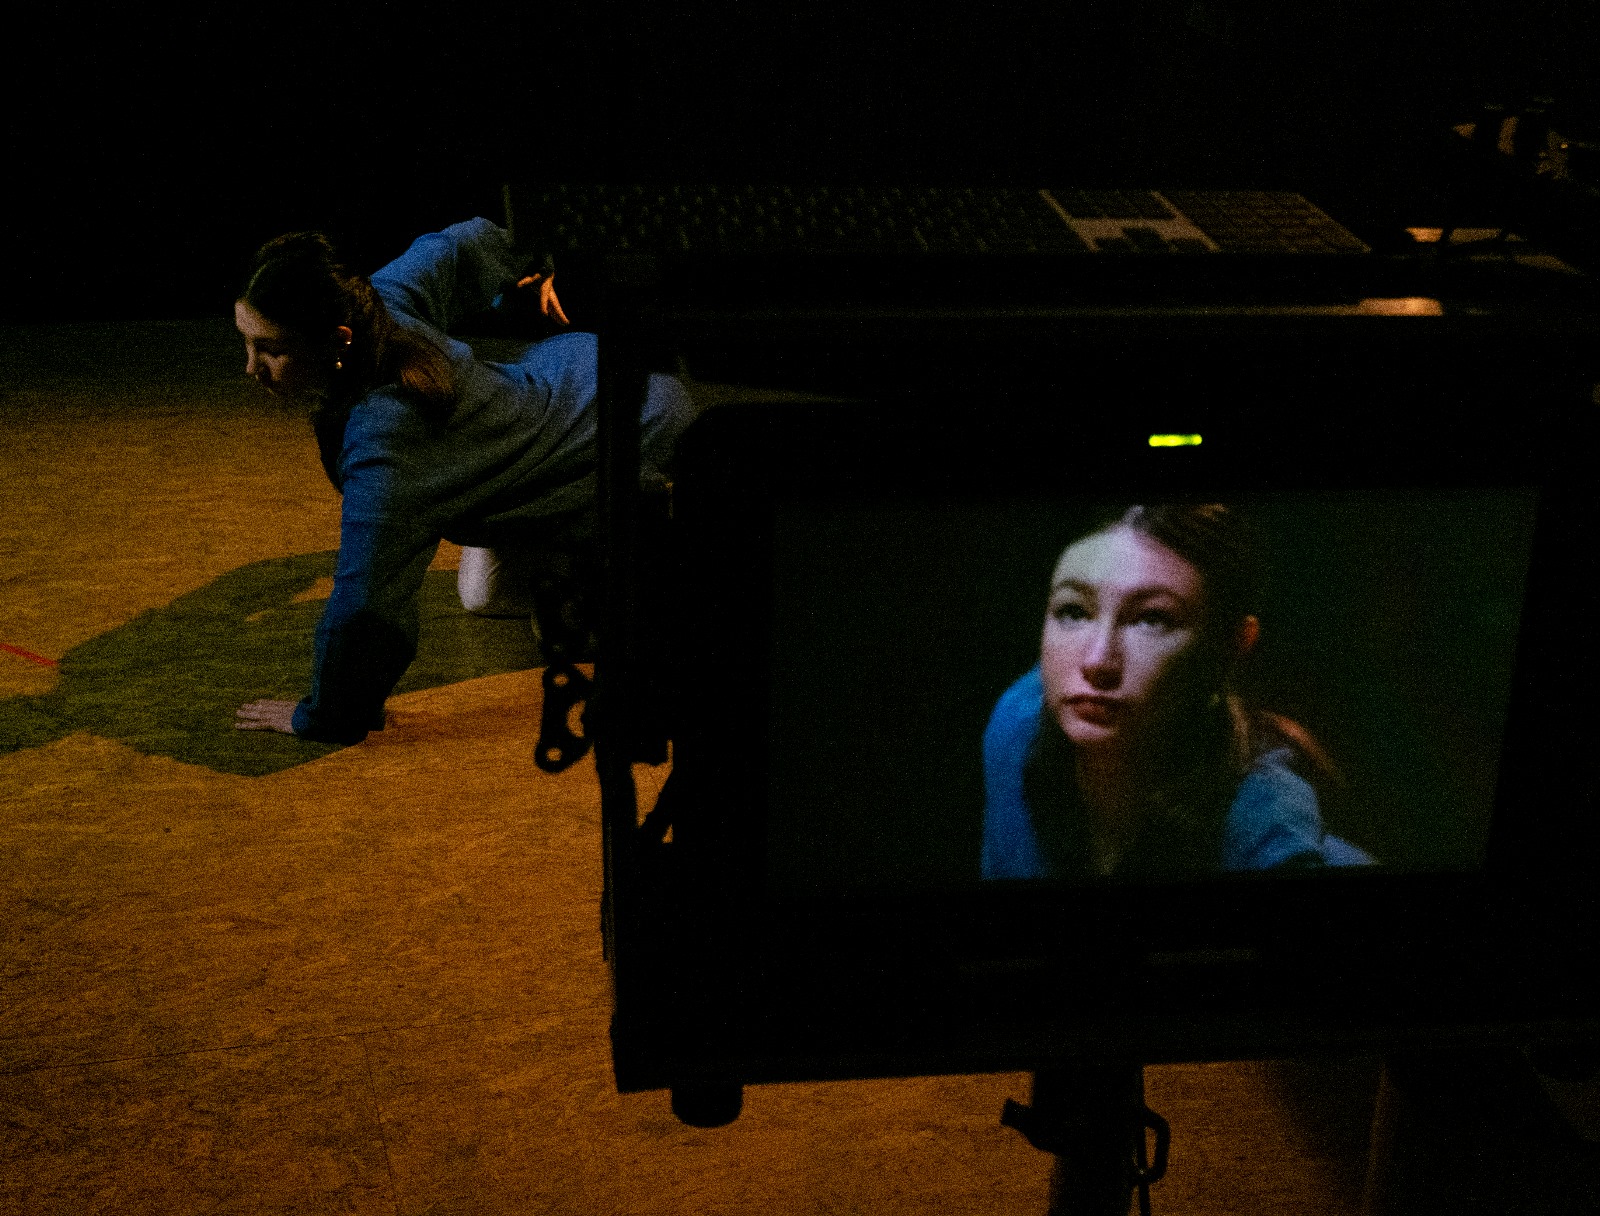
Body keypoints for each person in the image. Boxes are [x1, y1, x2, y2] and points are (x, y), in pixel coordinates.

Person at [231, 217, 700, 743]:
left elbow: (365, 607)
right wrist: (535, 262)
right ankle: (586, 562)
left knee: (583, 612)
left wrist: (327, 714)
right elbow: (463, 243)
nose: (251, 368)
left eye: (270, 349)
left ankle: (637, 556)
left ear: (337, 340)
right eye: (246, 342)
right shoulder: (375, 308)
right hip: (572, 383)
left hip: (632, 426)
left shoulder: (387, 440)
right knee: (484, 595)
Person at [981, 502, 1374, 881]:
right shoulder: (1017, 721)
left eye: (1153, 619)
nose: (1097, 661)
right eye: (1073, 611)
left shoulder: (1264, 830)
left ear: (1231, 646)